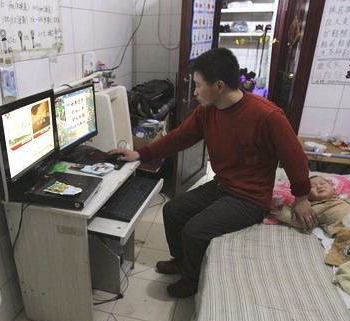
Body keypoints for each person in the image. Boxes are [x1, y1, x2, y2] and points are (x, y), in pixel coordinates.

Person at [109, 48, 313, 298]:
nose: (194, 92)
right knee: (172, 210)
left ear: (219, 86)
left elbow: (294, 157)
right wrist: (142, 154)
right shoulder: (208, 110)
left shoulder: (267, 115)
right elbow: (179, 138)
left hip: (250, 198)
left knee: (195, 231)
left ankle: (192, 281)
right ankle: (181, 261)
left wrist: (302, 198)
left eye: (197, 85)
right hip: (222, 185)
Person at [275, 176, 350, 235]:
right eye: (312, 187)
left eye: (323, 183)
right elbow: (302, 221)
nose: (319, 186)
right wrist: (282, 213)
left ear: (334, 191)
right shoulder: (315, 208)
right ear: (306, 197)